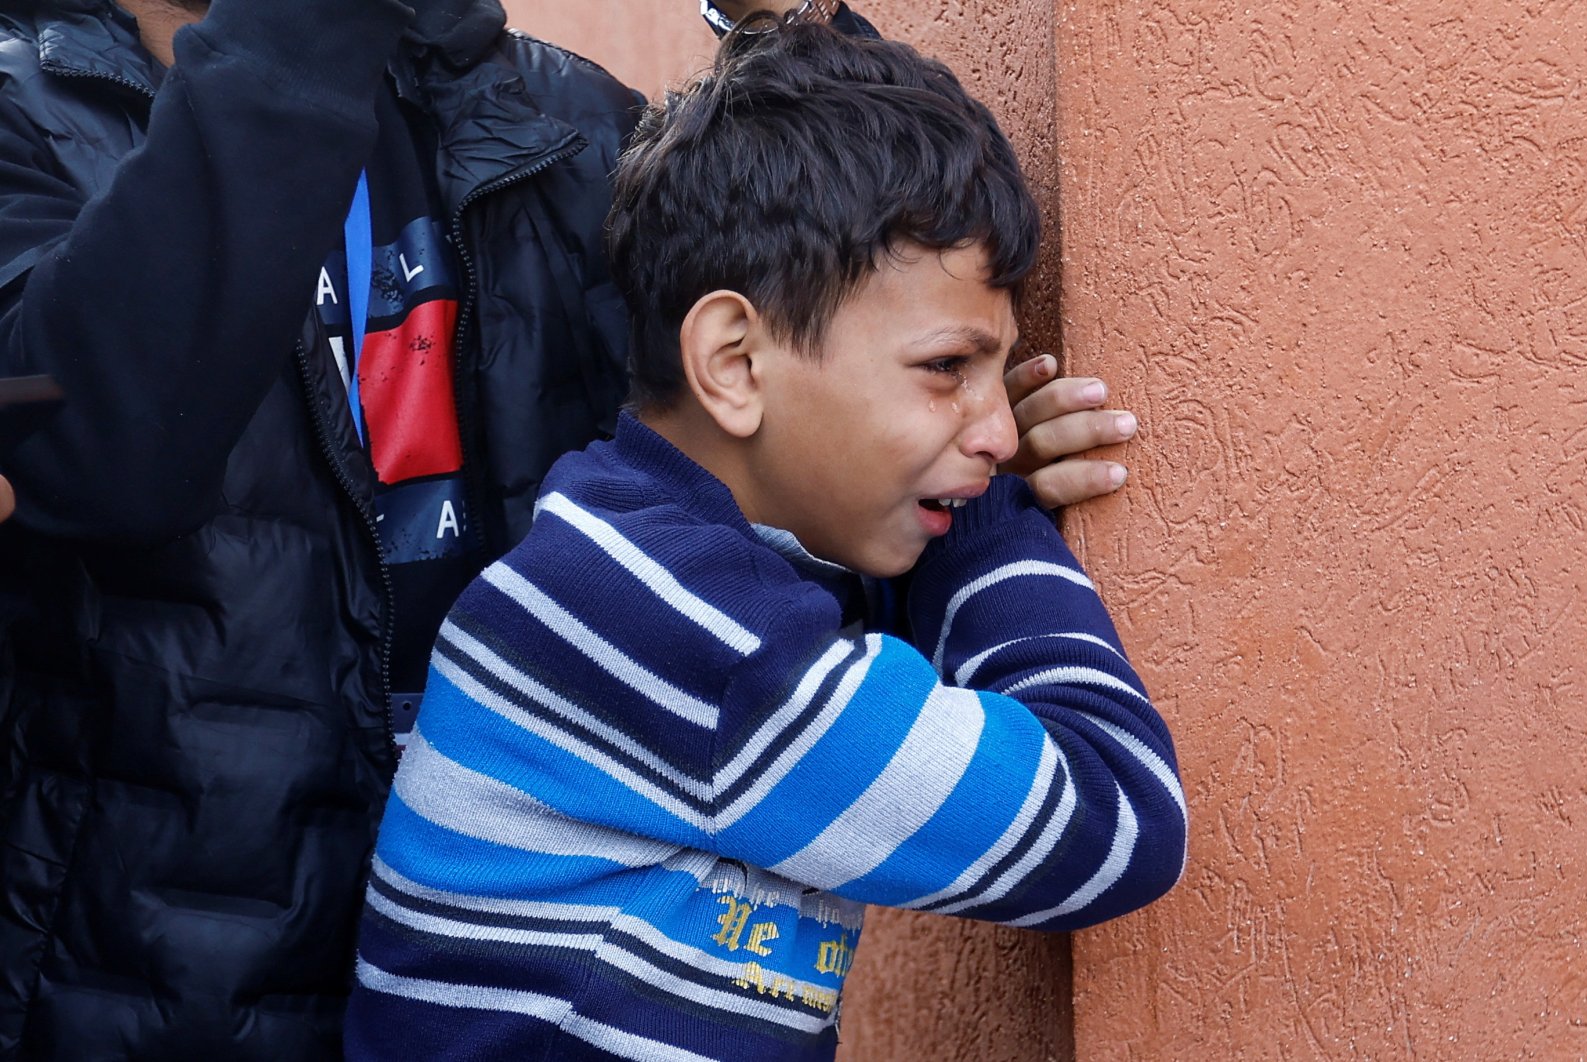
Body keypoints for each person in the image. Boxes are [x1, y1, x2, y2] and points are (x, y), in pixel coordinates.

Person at [0, 0, 1139, 1056]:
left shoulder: (541, 115)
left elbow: (823, 325)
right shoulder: (21, 105)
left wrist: (954, 462)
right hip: (140, 993)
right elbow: (101, 454)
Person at [344, 19, 1186, 1061]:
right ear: (734, 363)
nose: (999, 431)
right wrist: (981, 522)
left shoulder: (652, 563)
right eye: (944, 368)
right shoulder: (682, 629)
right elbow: (1114, 821)